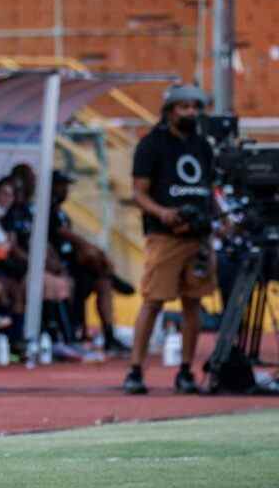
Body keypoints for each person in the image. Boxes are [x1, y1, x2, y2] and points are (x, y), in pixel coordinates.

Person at [124, 84, 217, 395]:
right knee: (153, 301)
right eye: (184, 107)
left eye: (195, 107)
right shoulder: (152, 144)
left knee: (194, 303)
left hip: (199, 236)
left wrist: (220, 220)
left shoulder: (203, 145)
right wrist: (163, 213)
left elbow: (210, 188)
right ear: (170, 110)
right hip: (165, 236)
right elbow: (138, 192)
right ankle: (135, 370)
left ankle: (186, 371)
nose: (191, 112)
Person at [49, 170, 131, 355]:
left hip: (73, 265)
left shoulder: (61, 212)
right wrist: (88, 246)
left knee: (103, 283)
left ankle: (109, 337)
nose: (66, 190)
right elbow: (62, 234)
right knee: (91, 255)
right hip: (58, 266)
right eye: (63, 186)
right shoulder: (46, 210)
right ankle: (110, 274)